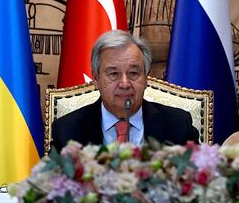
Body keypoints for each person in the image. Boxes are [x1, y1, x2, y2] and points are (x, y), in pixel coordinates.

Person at [50, 30, 199, 152]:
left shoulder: (178, 125)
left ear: (146, 77)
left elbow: (196, 181)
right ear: (96, 80)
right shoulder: (67, 131)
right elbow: (52, 185)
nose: (124, 84)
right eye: (113, 74)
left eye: (133, 73)